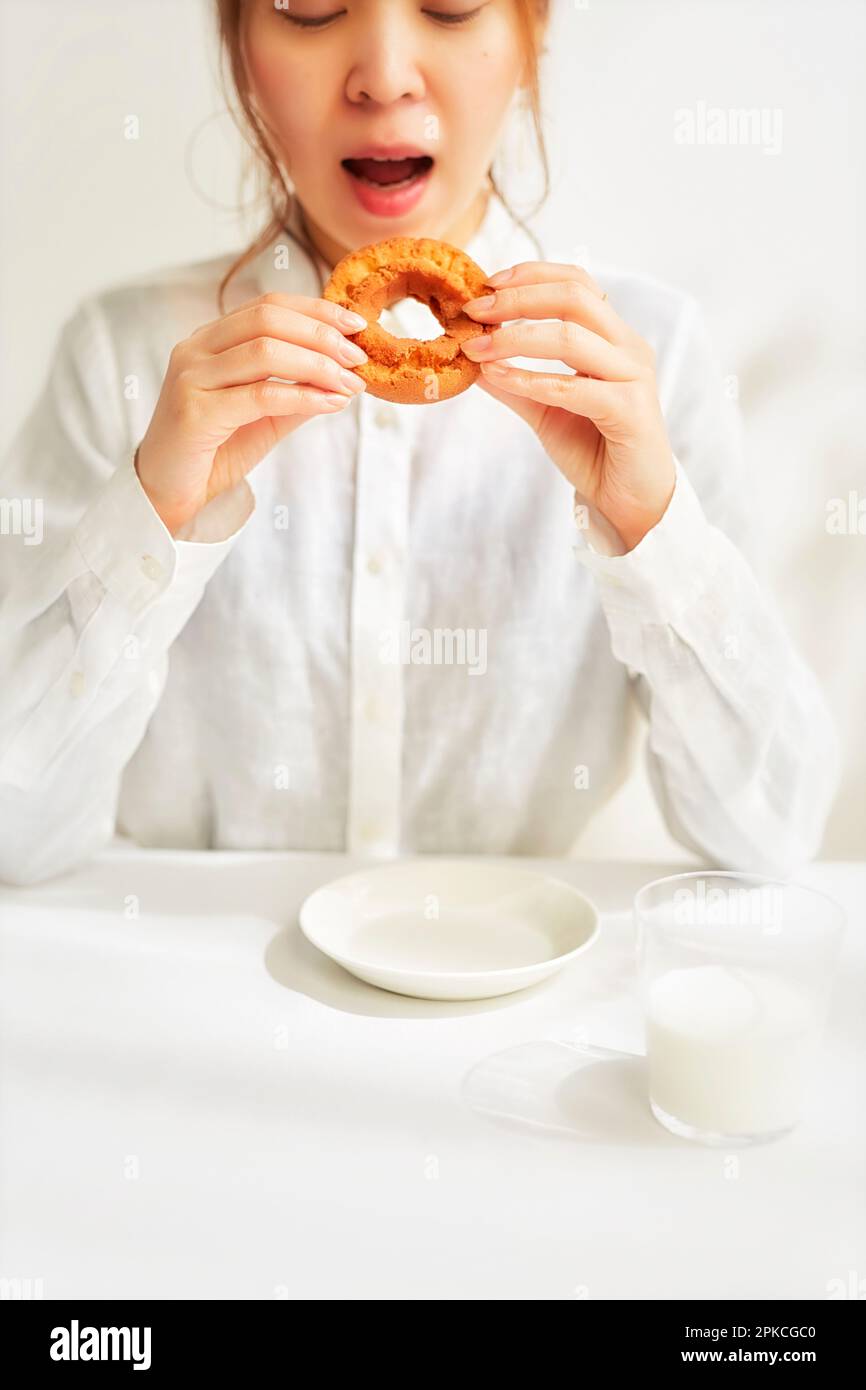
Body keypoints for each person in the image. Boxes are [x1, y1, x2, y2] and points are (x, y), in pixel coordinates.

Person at [0, 0, 838, 885]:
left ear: (531, 33)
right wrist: (151, 523)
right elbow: (16, 837)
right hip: (202, 997)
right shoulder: (123, 357)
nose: (386, 73)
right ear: (240, 46)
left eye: (448, 4)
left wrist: (652, 533)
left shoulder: (646, 361)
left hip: (519, 994)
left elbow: (773, 836)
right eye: (311, 7)